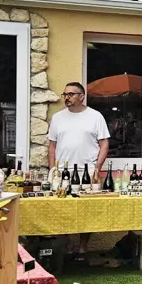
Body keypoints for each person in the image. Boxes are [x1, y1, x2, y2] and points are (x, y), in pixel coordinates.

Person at [48, 82, 110, 257]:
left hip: (88, 170)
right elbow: (52, 146)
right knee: (61, 209)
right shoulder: (58, 118)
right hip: (62, 172)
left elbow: (104, 143)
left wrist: (97, 167)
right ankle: (66, 243)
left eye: (71, 94)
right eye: (65, 94)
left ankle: (83, 246)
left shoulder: (95, 116)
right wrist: (52, 169)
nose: (67, 97)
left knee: (87, 211)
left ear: (81, 96)